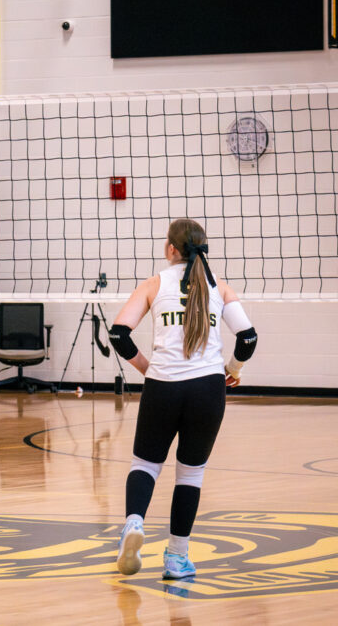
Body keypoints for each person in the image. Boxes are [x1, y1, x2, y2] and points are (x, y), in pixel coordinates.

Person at [109, 218, 257, 580]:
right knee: (190, 473)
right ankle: (177, 557)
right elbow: (249, 337)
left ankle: (133, 525)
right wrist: (233, 369)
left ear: (171, 249)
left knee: (145, 465)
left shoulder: (154, 283)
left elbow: (118, 334)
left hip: (164, 385)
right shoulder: (218, 287)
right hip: (208, 388)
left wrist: (148, 369)